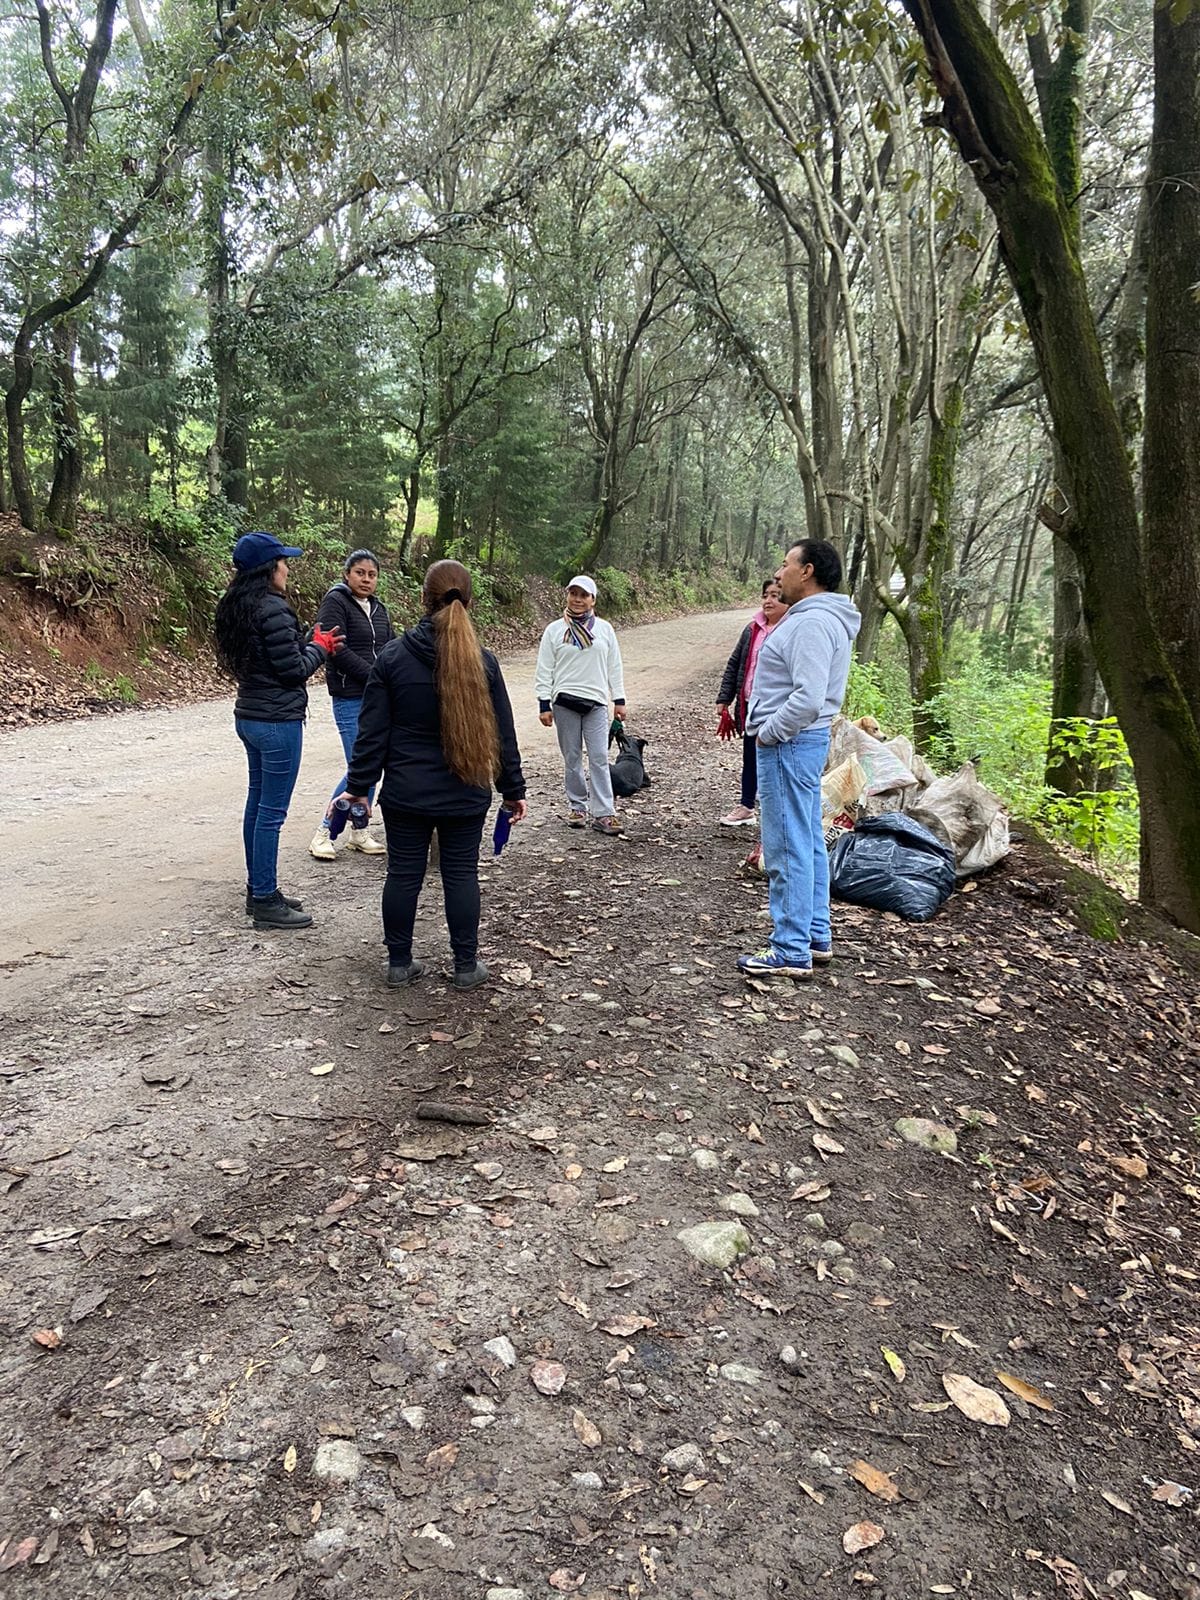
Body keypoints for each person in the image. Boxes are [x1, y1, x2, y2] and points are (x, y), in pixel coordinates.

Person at [343, 560, 527, 991]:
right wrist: (512, 790)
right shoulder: (484, 662)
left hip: (406, 794)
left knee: (403, 874)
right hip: (465, 794)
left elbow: (372, 735)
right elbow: (503, 733)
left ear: (423, 601)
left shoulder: (392, 658)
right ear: (470, 602)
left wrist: (358, 788)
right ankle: (465, 966)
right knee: (461, 874)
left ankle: (399, 963)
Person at [738, 539, 861, 980]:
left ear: (807, 571)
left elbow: (807, 697)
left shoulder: (812, 624)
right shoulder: (821, 619)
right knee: (807, 838)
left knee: (786, 843)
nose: (780, 571)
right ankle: (814, 935)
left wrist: (768, 733)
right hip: (801, 743)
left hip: (789, 743)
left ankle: (789, 948)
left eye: (786, 563)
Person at [213, 530, 343, 930]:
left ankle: (260, 889)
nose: (287, 568)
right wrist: (320, 648)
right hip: (277, 722)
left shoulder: (238, 605)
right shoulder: (273, 607)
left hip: (249, 715)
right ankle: (266, 900)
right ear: (269, 568)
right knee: (271, 812)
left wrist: (308, 642)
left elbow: (273, 656)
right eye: (283, 561)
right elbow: (292, 670)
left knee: (257, 805)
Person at [308, 548, 394, 860]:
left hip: (377, 697)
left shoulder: (379, 607)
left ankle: (359, 831)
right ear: (347, 574)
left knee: (371, 764)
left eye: (372, 575)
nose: (366, 579)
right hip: (349, 696)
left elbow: (389, 647)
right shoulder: (336, 601)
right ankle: (325, 831)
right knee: (360, 766)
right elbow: (335, 649)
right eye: (360, 573)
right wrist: (375, 676)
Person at [535, 574, 627, 836]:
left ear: (593, 599)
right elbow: (545, 668)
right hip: (564, 702)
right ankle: (577, 807)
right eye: (573, 593)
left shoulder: (604, 630)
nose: (577, 599)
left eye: (583, 595)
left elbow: (614, 666)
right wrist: (544, 703)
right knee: (572, 757)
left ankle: (604, 812)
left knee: (599, 757)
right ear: (567, 596)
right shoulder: (554, 630)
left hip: (596, 703)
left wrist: (618, 699)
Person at [715, 578, 787, 826]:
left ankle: (775, 811)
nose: (769, 600)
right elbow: (735, 663)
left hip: (777, 710)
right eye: (766, 595)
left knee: (774, 760)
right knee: (750, 757)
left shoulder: (790, 630)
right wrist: (725, 698)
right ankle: (746, 805)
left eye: (776, 596)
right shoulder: (752, 630)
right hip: (750, 707)